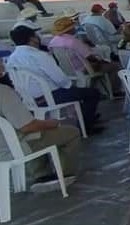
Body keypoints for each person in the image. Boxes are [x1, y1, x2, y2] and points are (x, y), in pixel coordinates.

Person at [6, 23, 103, 134]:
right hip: (50, 96)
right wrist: (70, 86)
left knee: (79, 92)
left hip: (29, 100)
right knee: (92, 93)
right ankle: (85, 127)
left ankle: (84, 117)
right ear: (32, 38)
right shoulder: (39, 55)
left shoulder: (11, 59)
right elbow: (60, 79)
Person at [0, 63, 80, 191]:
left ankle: (41, 173)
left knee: (41, 134)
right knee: (71, 132)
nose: (3, 68)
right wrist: (52, 123)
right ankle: (62, 175)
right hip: (14, 146)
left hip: (3, 147)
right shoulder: (3, 92)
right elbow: (27, 126)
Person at [48, 17, 123, 94]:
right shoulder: (73, 41)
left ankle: (100, 90)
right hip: (83, 69)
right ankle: (115, 91)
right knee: (114, 66)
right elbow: (89, 57)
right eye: (73, 27)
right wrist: (102, 60)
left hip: (66, 70)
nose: (75, 28)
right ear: (69, 29)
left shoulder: (53, 41)